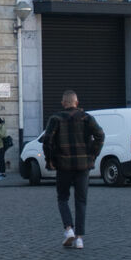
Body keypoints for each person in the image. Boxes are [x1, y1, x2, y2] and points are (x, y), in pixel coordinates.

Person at [42, 90, 104, 250]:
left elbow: (47, 140)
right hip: (83, 165)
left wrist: (50, 160)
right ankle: (79, 239)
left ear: (63, 103)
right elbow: (100, 135)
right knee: (81, 201)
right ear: (77, 102)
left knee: (62, 198)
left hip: (63, 165)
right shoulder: (86, 118)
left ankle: (68, 229)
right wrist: (93, 154)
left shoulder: (55, 119)